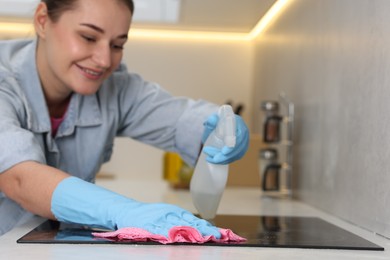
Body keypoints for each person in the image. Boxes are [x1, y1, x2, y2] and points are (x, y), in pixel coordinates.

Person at [0, 0, 249, 237]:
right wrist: (123, 211)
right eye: (88, 37)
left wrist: (220, 128)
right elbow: (19, 177)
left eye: (117, 45)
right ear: (43, 20)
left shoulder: (114, 86)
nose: (104, 60)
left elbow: (180, 119)